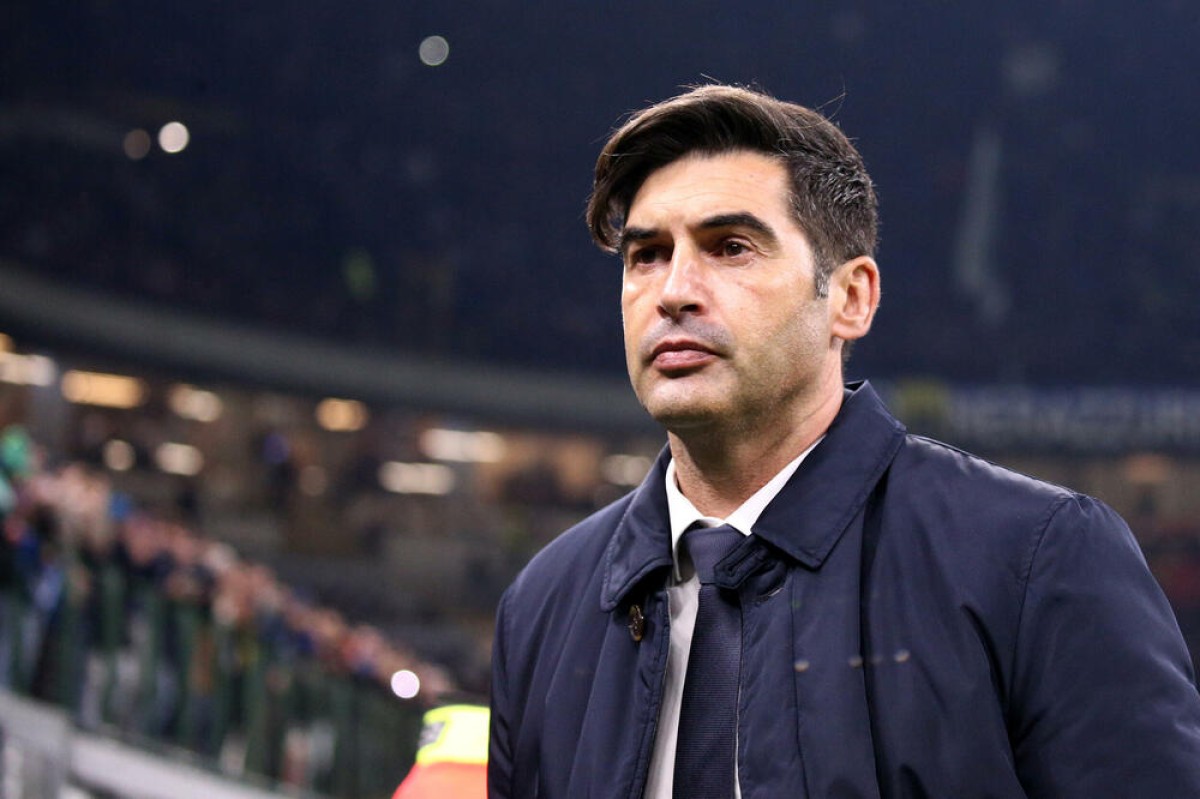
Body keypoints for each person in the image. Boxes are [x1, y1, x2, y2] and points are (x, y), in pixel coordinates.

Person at [487, 84, 1200, 798]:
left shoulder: (1036, 562)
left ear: (852, 298)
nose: (673, 291)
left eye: (730, 248)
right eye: (646, 255)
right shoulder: (544, 605)